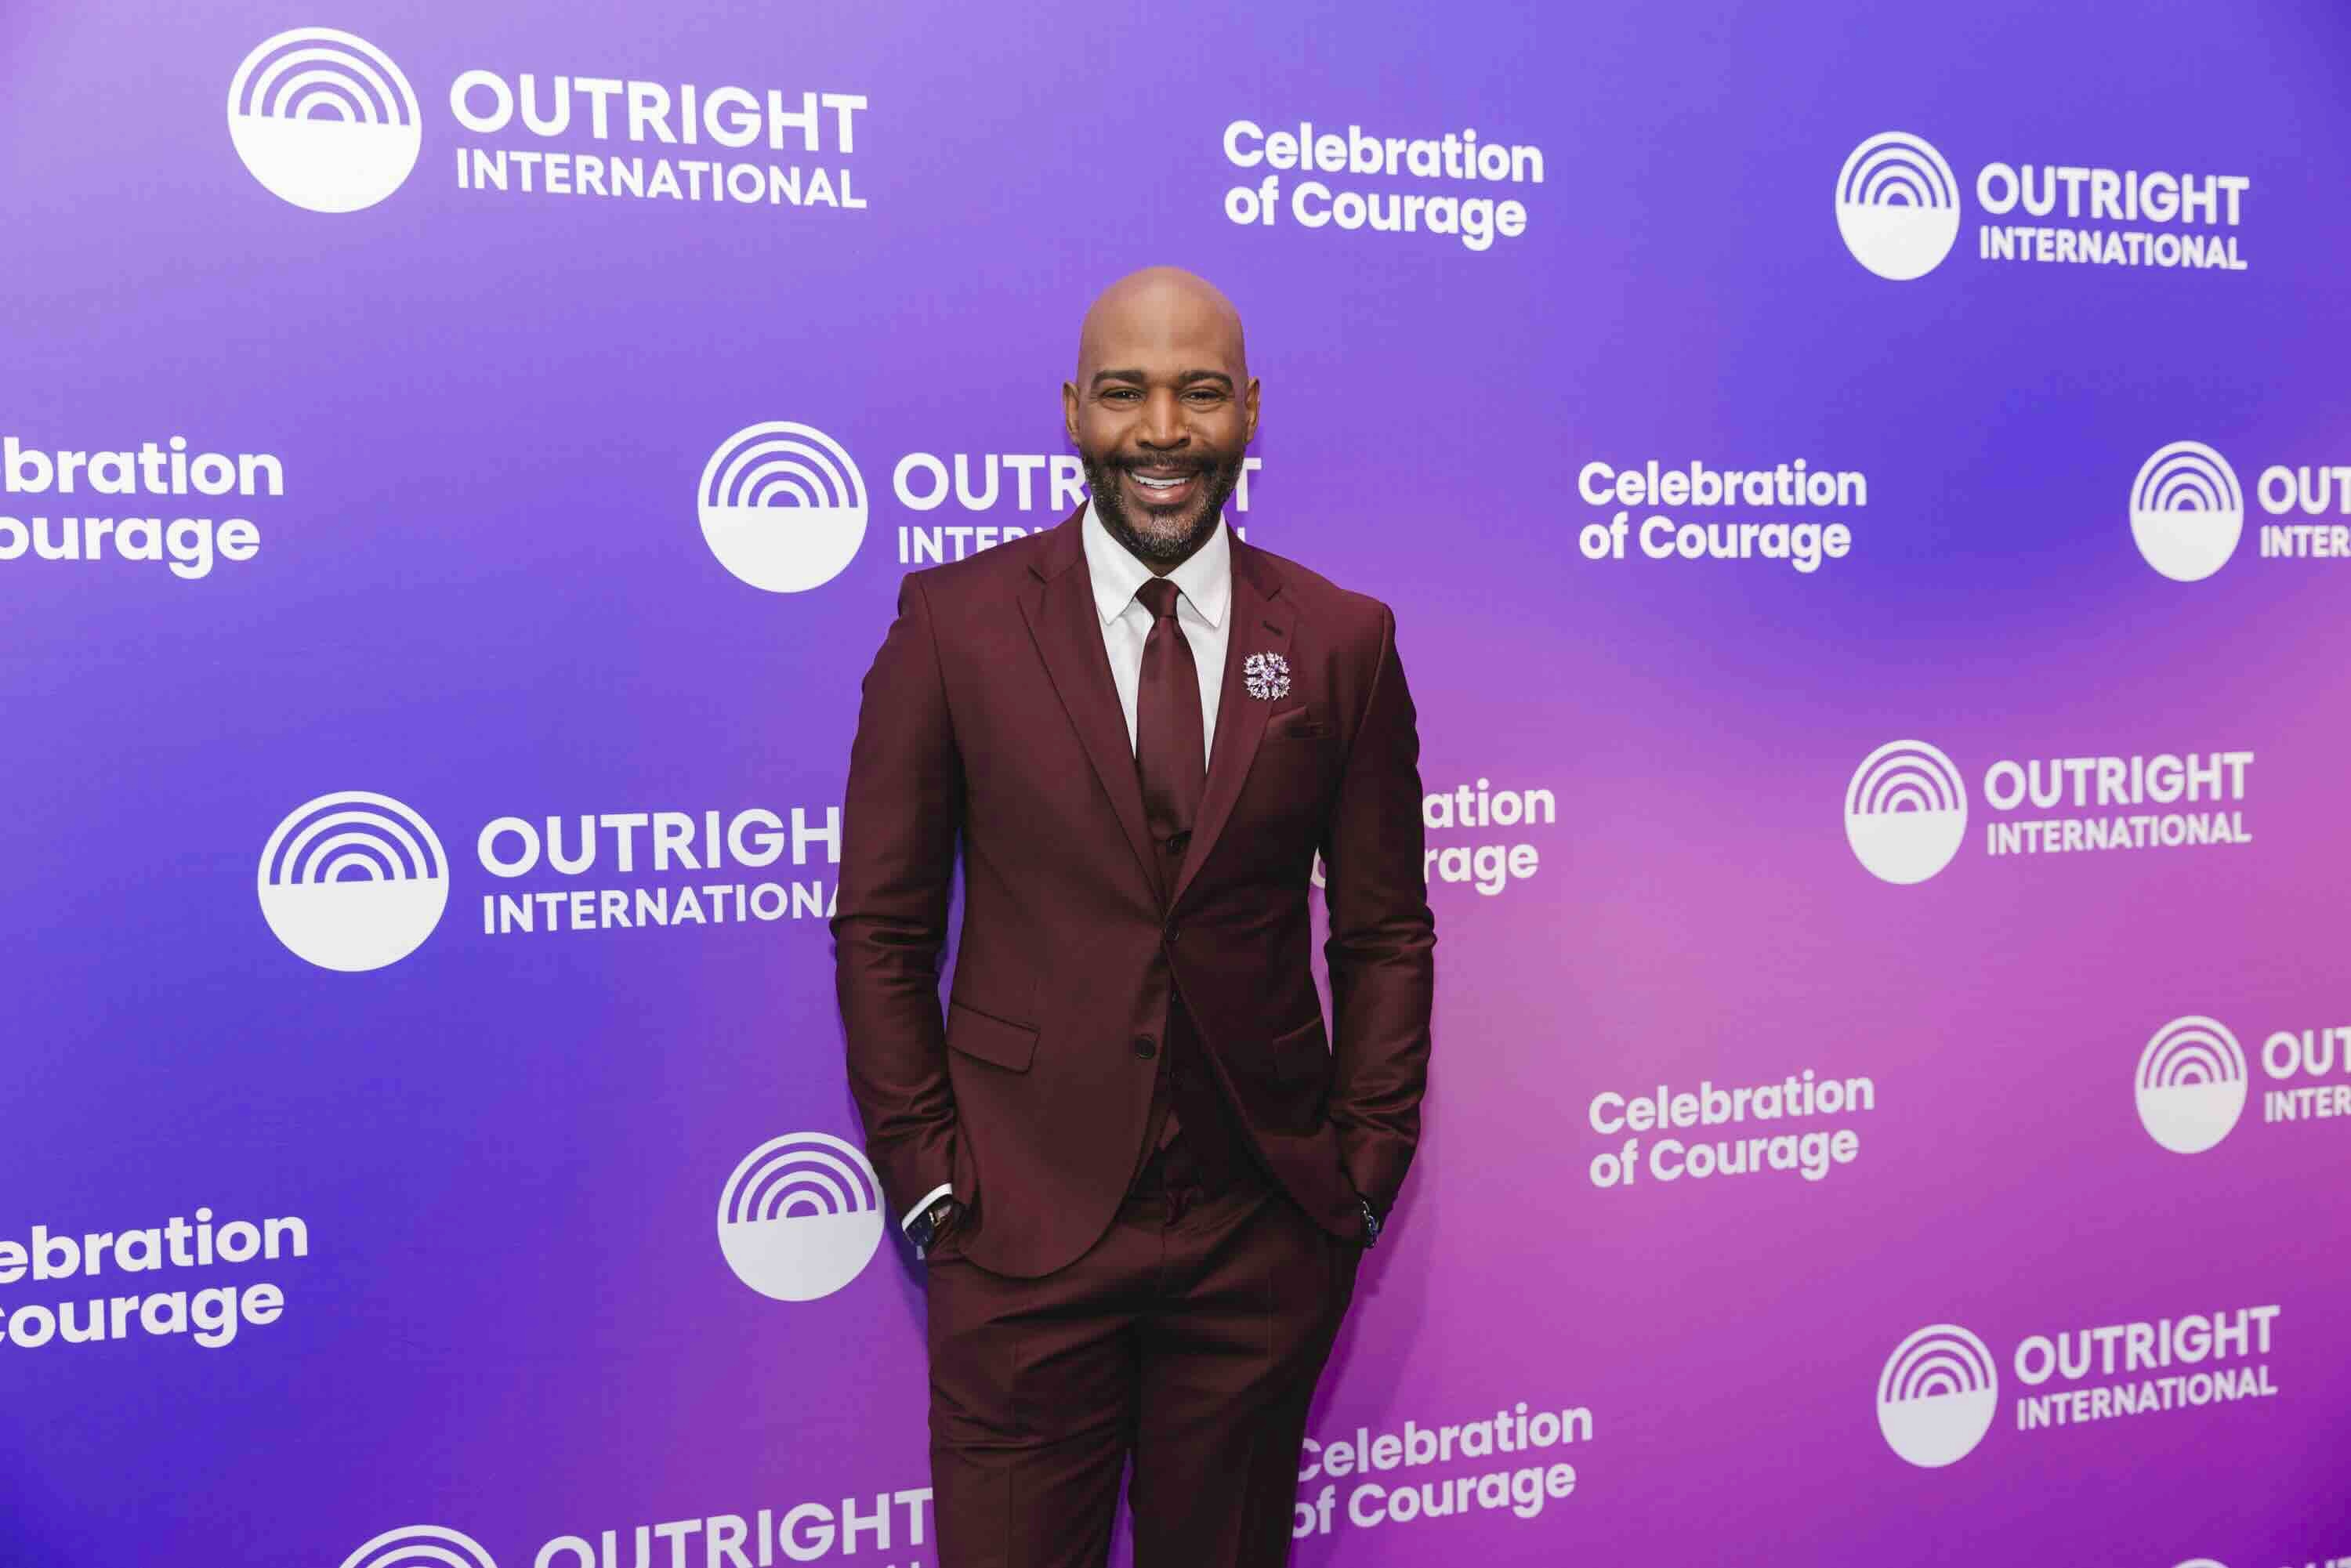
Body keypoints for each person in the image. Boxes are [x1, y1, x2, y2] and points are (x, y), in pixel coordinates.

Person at [834, 265, 1436, 1568]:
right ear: (1073, 411)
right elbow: (880, 927)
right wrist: (928, 1180)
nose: (1163, 430)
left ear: (1251, 409)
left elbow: (1385, 930)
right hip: (1019, 1236)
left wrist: (1362, 1170)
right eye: (1125, 391)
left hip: (1260, 1236)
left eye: (1199, 392)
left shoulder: (1344, 640)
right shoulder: (953, 626)